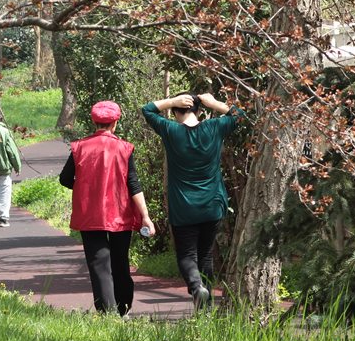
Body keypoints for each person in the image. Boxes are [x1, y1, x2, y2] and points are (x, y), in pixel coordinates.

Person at [141, 92, 245, 310]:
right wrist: (214, 103)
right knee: (205, 254)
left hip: (183, 206)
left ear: (175, 112)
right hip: (212, 204)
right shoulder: (214, 127)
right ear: (200, 110)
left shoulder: (171, 130)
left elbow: (147, 110)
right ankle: (204, 308)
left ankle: (197, 288)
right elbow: (239, 115)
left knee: (187, 254)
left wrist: (170, 102)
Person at [59, 101, 155, 316]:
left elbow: (65, 179)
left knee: (98, 264)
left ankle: (107, 312)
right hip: (120, 214)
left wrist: (85, 186)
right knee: (120, 262)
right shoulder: (125, 148)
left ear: (94, 121)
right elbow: (133, 184)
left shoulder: (79, 147)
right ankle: (123, 308)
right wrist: (146, 216)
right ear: (115, 123)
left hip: (89, 215)